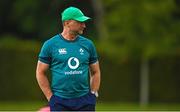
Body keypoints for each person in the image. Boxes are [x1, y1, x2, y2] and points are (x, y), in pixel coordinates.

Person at [36, 6, 101, 111]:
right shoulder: (50, 45)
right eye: (80, 22)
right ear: (67, 23)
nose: (84, 25)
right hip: (60, 101)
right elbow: (40, 72)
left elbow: (96, 72)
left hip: (85, 101)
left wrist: (93, 94)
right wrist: (50, 97)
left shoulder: (88, 45)